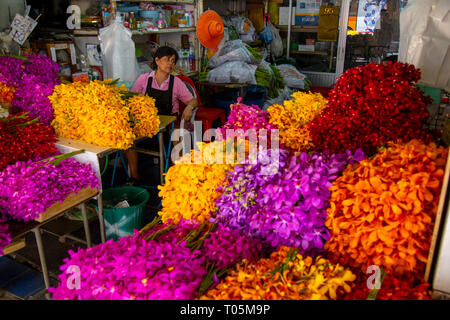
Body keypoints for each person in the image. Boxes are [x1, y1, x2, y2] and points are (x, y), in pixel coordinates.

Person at [126, 46, 198, 184]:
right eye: (167, 60)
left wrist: (189, 107)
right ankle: (135, 177)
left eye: (173, 61)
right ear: (157, 61)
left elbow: (193, 100)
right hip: (147, 124)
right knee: (127, 139)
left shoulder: (176, 82)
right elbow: (131, 100)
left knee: (177, 135)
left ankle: (178, 176)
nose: (170, 64)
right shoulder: (144, 79)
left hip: (169, 125)